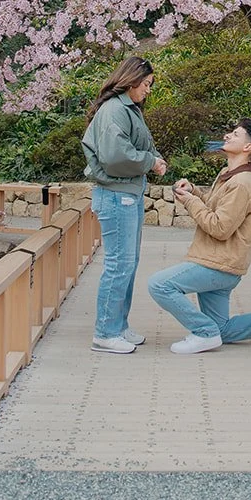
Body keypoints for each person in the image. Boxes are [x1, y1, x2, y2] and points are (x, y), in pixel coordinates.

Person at [146, 118, 251, 354]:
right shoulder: (228, 174)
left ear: (248, 148)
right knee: (222, 329)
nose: (227, 136)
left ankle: (204, 333)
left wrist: (192, 202)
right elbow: (218, 210)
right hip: (222, 263)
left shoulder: (241, 183)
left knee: (159, 285)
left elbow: (220, 227)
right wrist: (194, 191)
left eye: (235, 134)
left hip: (218, 265)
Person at [81, 56, 166, 355]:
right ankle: (105, 332)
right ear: (131, 81)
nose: (148, 90)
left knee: (128, 264)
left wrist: (152, 159)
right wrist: (150, 161)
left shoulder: (126, 109)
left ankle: (117, 325)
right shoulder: (115, 110)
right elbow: (116, 155)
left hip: (126, 193)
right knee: (119, 265)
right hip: (117, 195)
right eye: (146, 84)